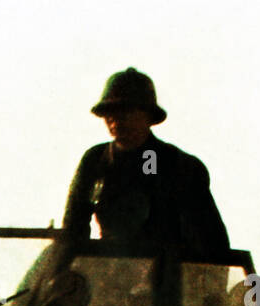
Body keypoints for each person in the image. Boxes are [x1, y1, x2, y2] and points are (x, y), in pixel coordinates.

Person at [60, 67, 229, 258]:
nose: (116, 119)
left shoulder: (180, 166)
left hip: (165, 277)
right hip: (109, 274)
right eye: (110, 112)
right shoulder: (95, 161)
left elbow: (212, 243)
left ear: (148, 116)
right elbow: (73, 230)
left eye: (127, 111)